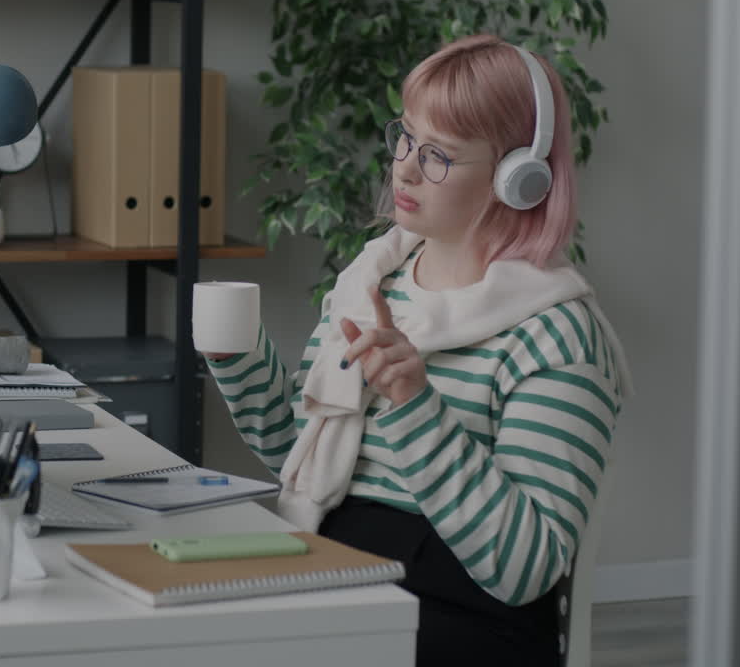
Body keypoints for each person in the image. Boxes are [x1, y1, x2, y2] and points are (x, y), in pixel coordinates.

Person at [202, 34, 632, 665]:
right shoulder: (371, 285)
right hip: (335, 575)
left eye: (439, 156)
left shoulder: (558, 336)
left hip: (465, 617)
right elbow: (294, 453)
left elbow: (524, 567)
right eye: (405, 138)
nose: (403, 167)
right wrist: (236, 356)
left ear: (517, 180)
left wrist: (414, 403)